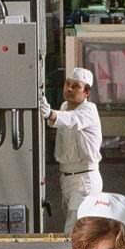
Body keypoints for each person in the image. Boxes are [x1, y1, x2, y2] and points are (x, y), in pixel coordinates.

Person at [40, 67, 103, 232]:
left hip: (84, 180)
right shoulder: (65, 106)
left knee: (75, 232)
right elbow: (61, 119)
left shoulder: (88, 110)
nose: (68, 89)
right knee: (75, 229)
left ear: (87, 92)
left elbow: (71, 120)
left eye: (75, 86)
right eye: (67, 84)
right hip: (67, 179)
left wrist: (50, 114)